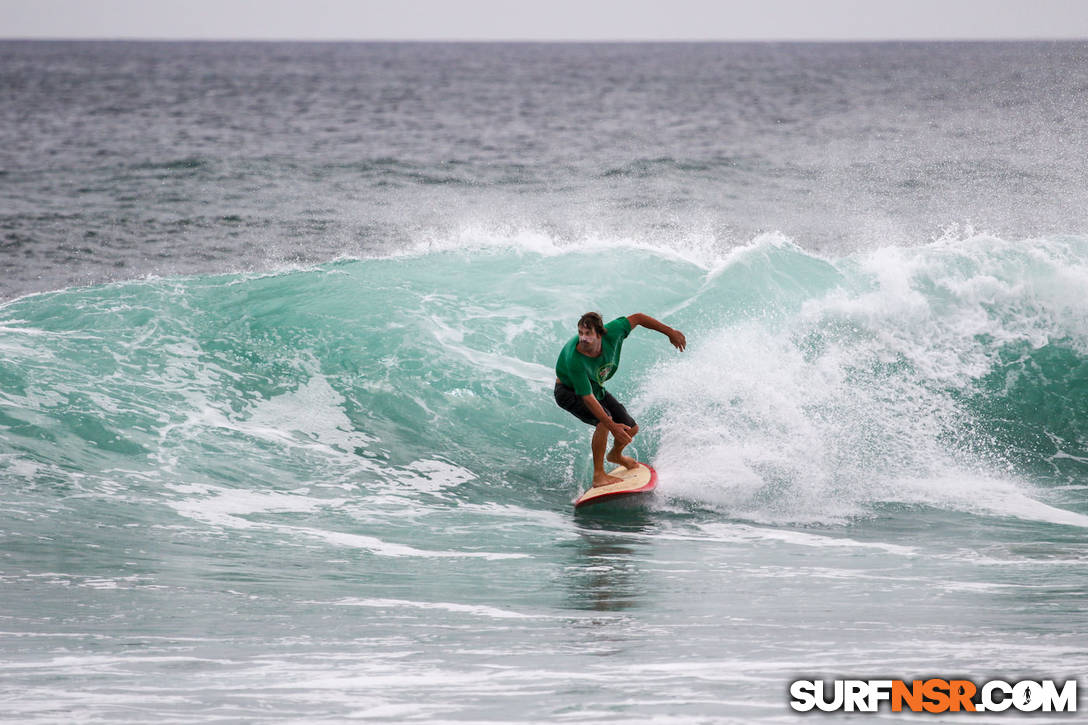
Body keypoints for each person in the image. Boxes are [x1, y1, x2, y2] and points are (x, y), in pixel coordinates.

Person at [554, 312, 686, 487]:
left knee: (631, 428)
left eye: (588, 334)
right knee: (604, 422)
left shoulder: (614, 331)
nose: (583, 338)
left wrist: (670, 332)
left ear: (600, 334)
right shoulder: (575, 359)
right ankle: (598, 476)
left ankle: (615, 455)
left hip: (595, 386)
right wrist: (612, 426)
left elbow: (639, 318)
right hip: (568, 391)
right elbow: (587, 398)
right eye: (580, 333)